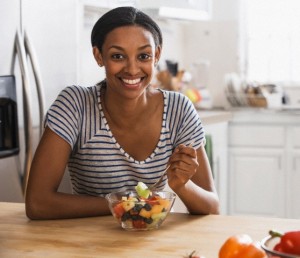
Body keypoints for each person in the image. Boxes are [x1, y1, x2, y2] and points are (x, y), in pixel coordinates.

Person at [25, 6, 219, 220]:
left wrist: (182, 185)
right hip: (89, 244)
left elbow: (212, 206)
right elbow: (37, 203)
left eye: (143, 56)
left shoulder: (178, 109)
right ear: (99, 56)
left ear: (156, 55)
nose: (132, 69)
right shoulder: (75, 105)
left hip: (155, 242)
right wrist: (125, 205)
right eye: (118, 56)